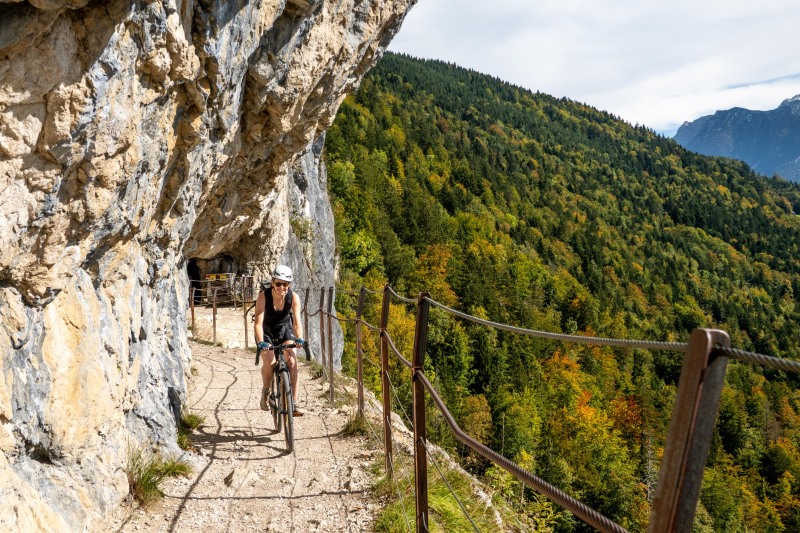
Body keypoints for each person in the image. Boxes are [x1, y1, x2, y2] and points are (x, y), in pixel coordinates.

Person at [253, 265, 305, 416]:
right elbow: (258, 323)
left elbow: (296, 323)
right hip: (266, 330)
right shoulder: (263, 296)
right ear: (273, 282)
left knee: (292, 362)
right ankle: (266, 392)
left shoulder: (293, 297)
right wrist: (261, 341)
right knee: (269, 362)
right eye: (278, 284)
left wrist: (299, 338)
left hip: (284, 329)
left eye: (286, 284)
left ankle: (293, 403)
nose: (282, 287)